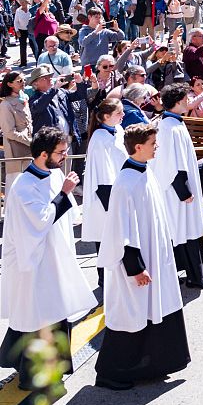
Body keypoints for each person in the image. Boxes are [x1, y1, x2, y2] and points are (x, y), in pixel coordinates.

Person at [94, 124, 190, 390]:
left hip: (155, 258)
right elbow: (121, 231)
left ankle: (149, 365)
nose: (157, 147)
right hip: (136, 265)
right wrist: (135, 268)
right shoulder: (126, 183)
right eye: (153, 143)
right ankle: (110, 373)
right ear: (138, 147)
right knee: (132, 315)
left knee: (152, 311)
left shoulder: (145, 171)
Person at [0, 127, 96, 389]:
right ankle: (33, 377)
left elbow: (65, 214)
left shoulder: (53, 174)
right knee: (37, 317)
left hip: (53, 261)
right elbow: (40, 221)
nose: (64, 157)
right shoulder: (24, 186)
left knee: (55, 313)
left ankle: (56, 367)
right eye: (60, 152)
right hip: (33, 266)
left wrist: (64, 191)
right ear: (43, 154)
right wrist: (65, 192)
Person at [150, 84, 203, 289]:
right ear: (179, 102)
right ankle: (197, 277)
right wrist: (184, 192)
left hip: (180, 191)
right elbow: (170, 164)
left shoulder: (172, 124)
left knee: (186, 232)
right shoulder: (169, 127)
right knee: (188, 232)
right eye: (186, 98)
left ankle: (190, 273)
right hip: (179, 193)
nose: (189, 101)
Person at [81, 98, 128, 287]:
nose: (123, 115)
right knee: (105, 241)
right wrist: (112, 208)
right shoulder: (99, 139)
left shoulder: (118, 130)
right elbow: (103, 179)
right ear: (106, 117)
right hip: (106, 199)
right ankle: (105, 280)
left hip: (119, 193)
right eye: (119, 113)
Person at [0, 70, 32, 191]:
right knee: (15, 185)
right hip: (15, 150)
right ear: (9, 84)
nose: (23, 82)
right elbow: (9, 132)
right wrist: (29, 141)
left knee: (28, 184)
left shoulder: (23, 98)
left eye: (24, 80)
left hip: (28, 146)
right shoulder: (6, 105)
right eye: (19, 81)